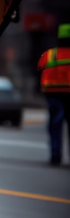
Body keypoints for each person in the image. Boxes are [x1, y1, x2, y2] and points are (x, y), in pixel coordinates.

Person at [37, 23, 70, 166]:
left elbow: (39, 70)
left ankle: (55, 156)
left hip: (53, 95)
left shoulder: (49, 55)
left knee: (55, 126)